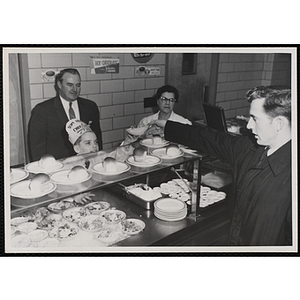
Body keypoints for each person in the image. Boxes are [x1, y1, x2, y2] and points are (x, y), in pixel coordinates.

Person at [151, 86, 292, 246]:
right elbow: (211, 138)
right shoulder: (250, 147)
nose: (249, 126)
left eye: (254, 118)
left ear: (279, 123)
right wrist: (169, 126)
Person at [28, 68, 102, 161]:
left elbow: (97, 139)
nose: (75, 89)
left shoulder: (90, 107)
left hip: (87, 164)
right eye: (70, 85)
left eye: (78, 85)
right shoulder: (42, 110)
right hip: (57, 168)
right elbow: (37, 149)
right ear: (59, 84)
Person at [124, 85, 192, 143]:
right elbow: (137, 146)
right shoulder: (146, 121)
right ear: (158, 101)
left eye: (171, 100)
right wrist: (143, 136)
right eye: (163, 99)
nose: (167, 103)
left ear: (174, 102)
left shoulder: (184, 123)